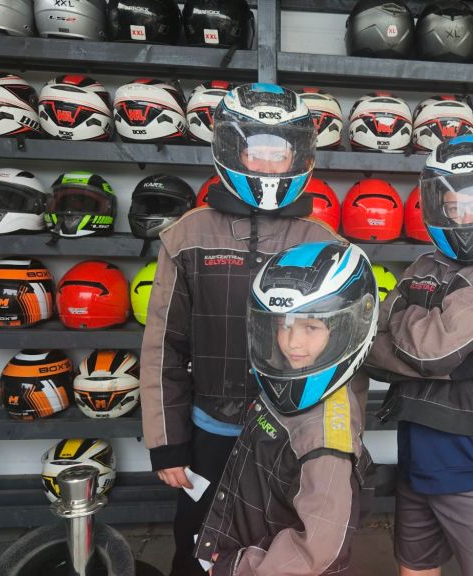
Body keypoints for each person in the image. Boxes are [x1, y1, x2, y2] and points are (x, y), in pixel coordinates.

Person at [139, 83, 343, 576]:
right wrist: (167, 444)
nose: (268, 164)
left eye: (279, 153)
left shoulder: (322, 241)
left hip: (291, 431)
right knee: (197, 545)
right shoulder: (188, 235)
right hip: (211, 429)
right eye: (257, 151)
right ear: (233, 152)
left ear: (298, 157)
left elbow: (342, 349)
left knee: (281, 546)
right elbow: (163, 346)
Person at [365, 134, 473, 576]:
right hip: (415, 447)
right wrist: (451, 364)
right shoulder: (425, 264)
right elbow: (367, 348)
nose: (461, 216)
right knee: (413, 566)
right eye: (452, 205)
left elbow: (431, 349)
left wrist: (404, 322)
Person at [194, 241, 377, 575]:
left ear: (346, 330)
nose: (293, 342)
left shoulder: (326, 439)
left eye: (311, 327)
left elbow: (317, 549)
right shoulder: (284, 380)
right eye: (283, 324)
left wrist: (237, 568)